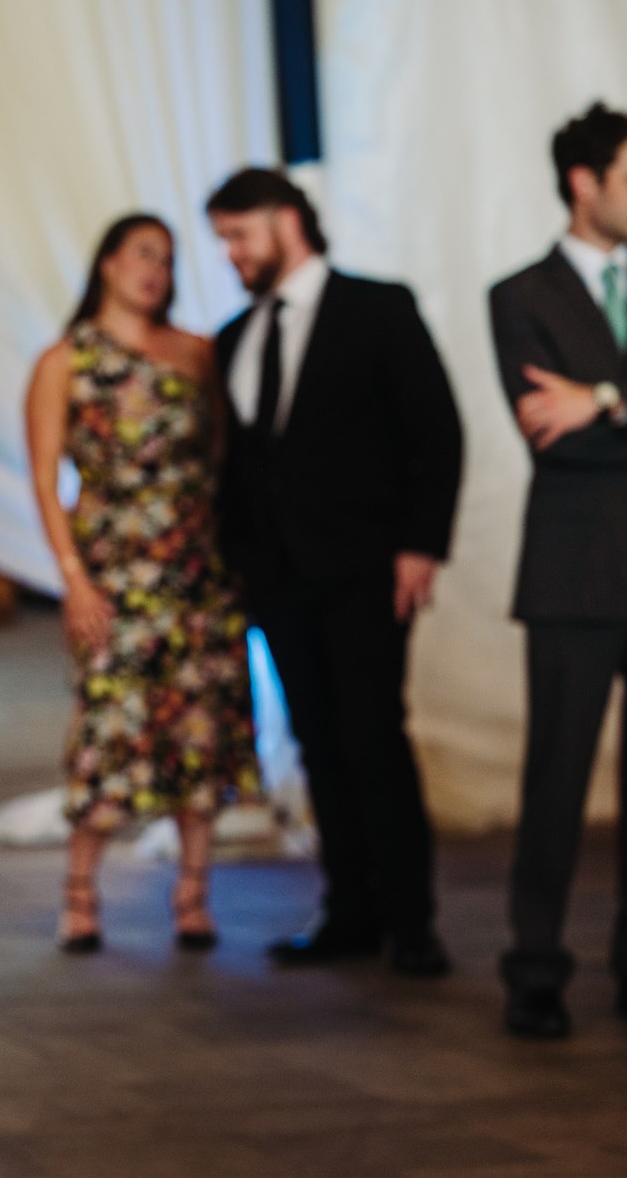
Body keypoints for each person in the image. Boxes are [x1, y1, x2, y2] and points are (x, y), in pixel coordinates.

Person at [487, 102, 627, 1040]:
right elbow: (550, 438)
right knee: (558, 775)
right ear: (585, 184)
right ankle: (535, 970)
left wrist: (611, 400)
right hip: (576, 568)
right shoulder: (520, 294)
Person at [207, 168, 463, 978]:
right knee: (319, 742)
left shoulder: (378, 308)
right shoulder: (233, 337)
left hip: (366, 569)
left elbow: (438, 431)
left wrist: (422, 546)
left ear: (287, 222)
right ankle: (350, 909)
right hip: (278, 581)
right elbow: (244, 468)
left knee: (374, 738)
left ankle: (413, 923)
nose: (232, 254)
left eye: (239, 234)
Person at [24, 213, 259, 954]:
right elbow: (43, 477)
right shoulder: (67, 360)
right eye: (142, 254)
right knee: (110, 727)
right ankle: (80, 893)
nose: (155, 269)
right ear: (108, 263)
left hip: (198, 573)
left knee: (199, 726)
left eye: (167, 257)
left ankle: (193, 893)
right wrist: (74, 579)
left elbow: (226, 458)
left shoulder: (198, 353)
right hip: (114, 574)